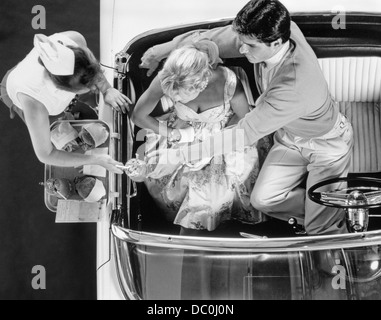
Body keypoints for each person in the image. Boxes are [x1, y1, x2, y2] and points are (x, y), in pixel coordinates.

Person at [139, 0, 354, 235]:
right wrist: (162, 50)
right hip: (288, 138)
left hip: (326, 145)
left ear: (276, 43)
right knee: (262, 201)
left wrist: (181, 154)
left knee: (321, 231)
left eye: (249, 46)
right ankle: (327, 210)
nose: (241, 50)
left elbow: (242, 134)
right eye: (242, 42)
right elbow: (210, 40)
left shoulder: (295, 85)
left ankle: (325, 221)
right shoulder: (274, 31)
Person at [130, 40, 269, 235]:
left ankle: (223, 228)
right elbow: (138, 116)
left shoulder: (227, 82)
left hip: (223, 134)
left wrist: (215, 143)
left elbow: (243, 117)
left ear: (200, 85)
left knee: (217, 194)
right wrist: (172, 133)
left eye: (179, 97)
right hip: (181, 131)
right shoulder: (169, 76)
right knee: (162, 173)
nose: (174, 100)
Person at [0, 31, 129, 174]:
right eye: (89, 86)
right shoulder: (35, 105)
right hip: (21, 93)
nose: (94, 87)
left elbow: (90, 68)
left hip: (48, 91)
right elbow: (46, 154)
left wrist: (107, 89)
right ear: (63, 88)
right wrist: (96, 160)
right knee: (64, 143)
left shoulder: (74, 39)